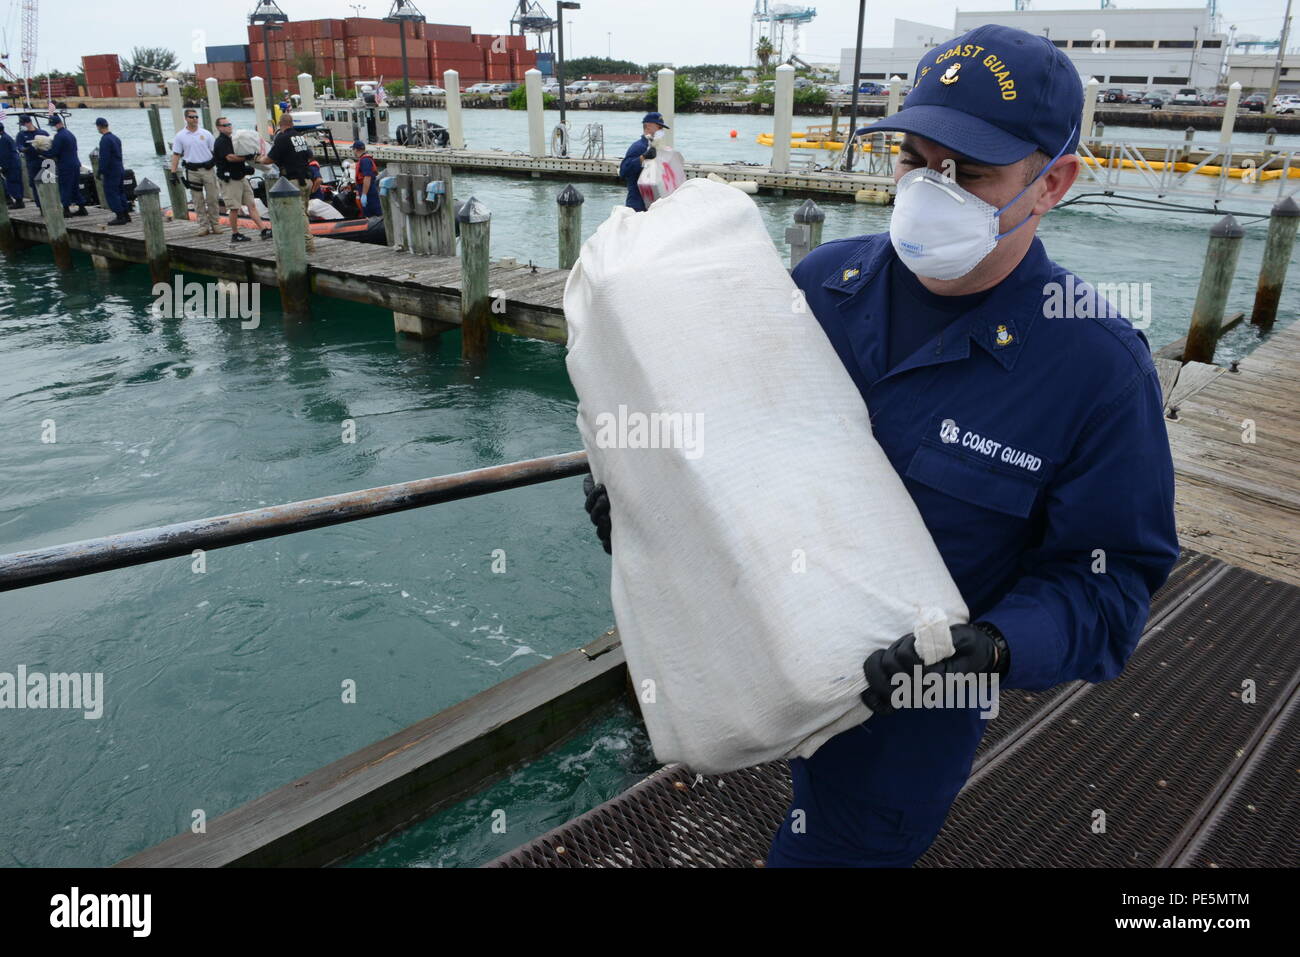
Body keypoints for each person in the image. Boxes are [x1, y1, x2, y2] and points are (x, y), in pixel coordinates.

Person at [583, 24, 1180, 867]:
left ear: (1054, 183)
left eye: (969, 173)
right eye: (914, 159)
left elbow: (1113, 583)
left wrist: (997, 649)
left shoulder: (1097, 371)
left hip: (911, 714)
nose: (931, 189)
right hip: (752, 637)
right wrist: (644, 501)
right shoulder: (820, 285)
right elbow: (723, 441)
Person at [267, 111, 316, 251]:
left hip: (293, 181)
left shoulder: (281, 138)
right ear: (292, 123)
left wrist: (258, 159)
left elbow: (270, 159)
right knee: (304, 212)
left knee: (299, 214)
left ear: (280, 125)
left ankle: (308, 244)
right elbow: (310, 156)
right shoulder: (299, 137)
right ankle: (303, 239)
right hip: (306, 179)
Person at [169, 109, 222, 235]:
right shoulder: (180, 136)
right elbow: (176, 154)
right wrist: (173, 172)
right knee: (197, 200)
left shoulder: (206, 133)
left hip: (208, 169)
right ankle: (203, 226)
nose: (195, 119)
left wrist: (214, 162)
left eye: (196, 117)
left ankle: (215, 224)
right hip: (192, 171)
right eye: (192, 117)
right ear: (186, 118)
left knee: (213, 198)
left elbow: (216, 151)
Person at [212, 116, 260, 243]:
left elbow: (238, 155)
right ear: (219, 128)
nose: (228, 126)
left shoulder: (232, 140)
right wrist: (247, 158)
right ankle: (235, 233)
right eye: (225, 125)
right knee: (234, 208)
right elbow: (230, 158)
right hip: (230, 179)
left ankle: (263, 229)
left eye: (229, 124)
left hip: (240, 176)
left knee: (251, 204)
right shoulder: (221, 142)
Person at [618, 112, 668, 212]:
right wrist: (643, 157)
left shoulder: (656, 148)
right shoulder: (638, 147)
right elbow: (623, 171)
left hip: (653, 204)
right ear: (648, 127)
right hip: (637, 204)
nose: (661, 131)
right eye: (659, 128)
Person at [45, 114, 87, 216]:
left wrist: (41, 152)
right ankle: (82, 207)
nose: (53, 127)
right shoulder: (70, 134)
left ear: (59, 124)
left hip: (65, 165)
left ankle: (66, 210)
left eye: (54, 125)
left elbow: (54, 152)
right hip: (75, 164)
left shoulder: (59, 136)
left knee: (65, 187)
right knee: (74, 187)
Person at [94, 117, 129, 225]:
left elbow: (104, 158)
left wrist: (100, 171)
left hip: (111, 171)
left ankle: (119, 216)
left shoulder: (105, 140)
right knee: (120, 192)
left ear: (99, 126)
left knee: (111, 193)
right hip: (120, 168)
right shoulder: (116, 138)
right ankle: (126, 214)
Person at [16, 114, 45, 207]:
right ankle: (40, 205)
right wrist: (25, 149)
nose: (22, 126)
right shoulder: (21, 135)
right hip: (32, 162)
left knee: (49, 182)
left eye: (23, 124)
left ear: (28, 123)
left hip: (44, 161)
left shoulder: (42, 132)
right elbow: (19, 146)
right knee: (34, 184)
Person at [351, 140, 381, 217]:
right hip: (368, 191)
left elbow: (367, 178)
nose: (353, 151)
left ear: (356, 149)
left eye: (353, 149)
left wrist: (364, 194)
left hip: (369, 193)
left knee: (373, 214)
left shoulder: (365, 161)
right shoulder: (364, 160)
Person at [0, 119, 23, 209]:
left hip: (10, 164)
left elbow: (4, 154)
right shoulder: (7, 137)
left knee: (13, 182)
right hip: (15, 162)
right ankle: (19, 200)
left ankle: (18, 201)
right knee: (17, 182)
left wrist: (3, 167)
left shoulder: (3, 140)